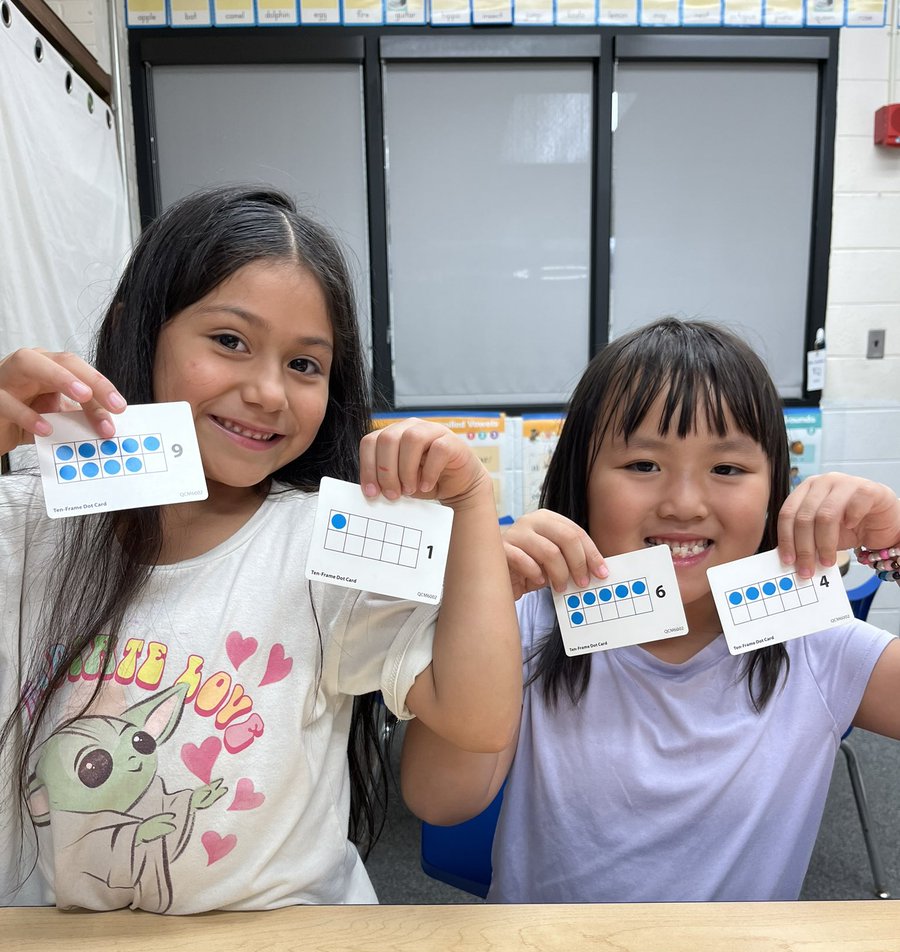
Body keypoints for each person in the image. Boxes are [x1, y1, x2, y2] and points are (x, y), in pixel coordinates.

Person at [0, 184, 520, 913]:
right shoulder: (29, 525)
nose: (269, 392)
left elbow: (478, 718)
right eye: (230, 342)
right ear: (137, 331)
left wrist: (472, 506)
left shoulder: (321, 541)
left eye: (306, 365)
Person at [401, 318, 900, 903]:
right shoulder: (532, 623)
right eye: (643, 465)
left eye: (728, 469)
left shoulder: (815, 644)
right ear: (580, 479)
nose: (685, 504)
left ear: (775, 490)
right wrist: (480, 603)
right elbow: (438, 799)